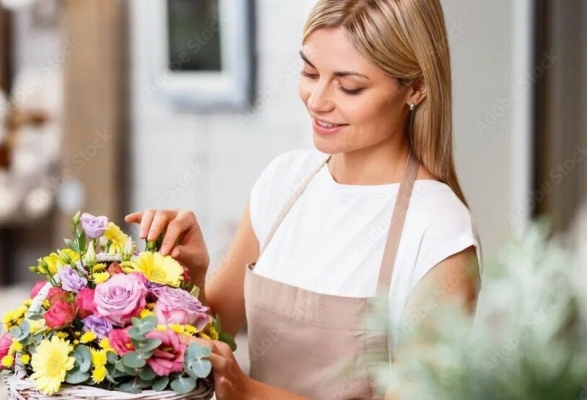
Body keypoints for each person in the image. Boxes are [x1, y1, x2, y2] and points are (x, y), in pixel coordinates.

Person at [126, 0, 480, 398]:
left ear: (415, 88)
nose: (317, 100)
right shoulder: (284, 181)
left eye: (349, 86)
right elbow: (212, 331)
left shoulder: (437, 230)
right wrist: (191, 277)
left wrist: (249, 393)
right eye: (310, 72)